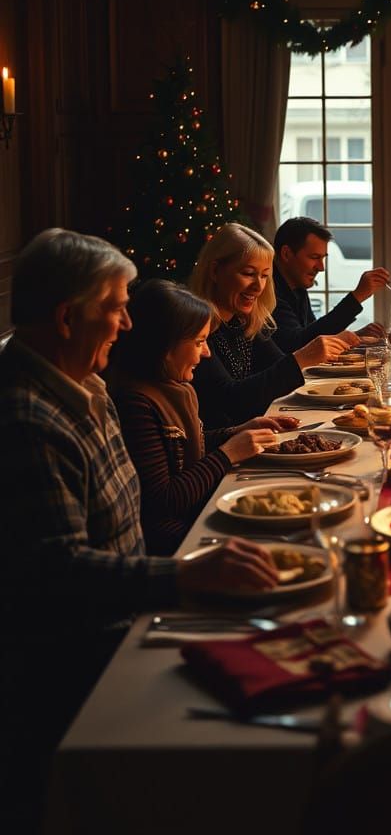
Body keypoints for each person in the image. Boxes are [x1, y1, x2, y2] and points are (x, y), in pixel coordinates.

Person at [0, 229, 279, 832]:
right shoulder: (27, 417)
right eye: (117, 308)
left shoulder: (86, 385)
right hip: (85, 664)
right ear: (67, 318)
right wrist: (183, 577)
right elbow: (58, 571)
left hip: (136, 613)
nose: (127, 326)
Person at [109, 279, 301, 555]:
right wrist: (227, 454)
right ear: (164, 345)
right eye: (200, 342)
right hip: (174, 539)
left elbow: (180, 446)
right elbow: (164, 501)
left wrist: (234, 432)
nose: (207, 352)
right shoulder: (136, 403)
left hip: (192, 515)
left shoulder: (175, 387)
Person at [189, 222, 354, 428]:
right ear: (215, 271)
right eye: (248, 273)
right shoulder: (195, 329)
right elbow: (229, 399)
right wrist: (301, 358)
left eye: (265, 276)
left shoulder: (244, 322)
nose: (258, 286)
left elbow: (279, 367)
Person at [271, 216, 390, 353]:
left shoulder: (297, 287)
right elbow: (297, 344)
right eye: (314, 257)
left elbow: (313, 336)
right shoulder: (269, 291)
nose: (321, 267)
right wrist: (357, 296)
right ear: (286, 254)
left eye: (323, 258)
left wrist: (355, 337)